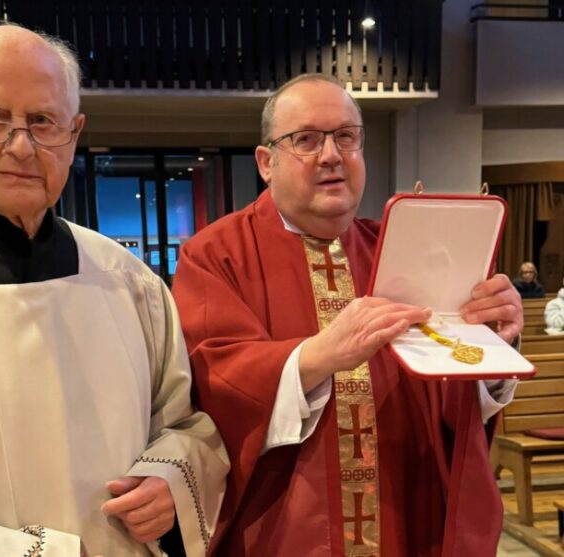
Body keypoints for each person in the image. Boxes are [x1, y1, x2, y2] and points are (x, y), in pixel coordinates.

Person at [0, 23, 228, 557]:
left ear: (74, 133)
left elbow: (183, 423)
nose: (21, 145)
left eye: (42, 121)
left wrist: (169, 484)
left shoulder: (126, 280)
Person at [172, 74, 523, 556]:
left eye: (346, 136)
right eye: (306, 140)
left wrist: (491, 348)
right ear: (265, 163)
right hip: (283, 530)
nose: (332, 155)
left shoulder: (398, 248)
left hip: (403, 520)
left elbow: (447, 406)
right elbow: (214, 382)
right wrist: (317, 356)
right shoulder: (215, 256)